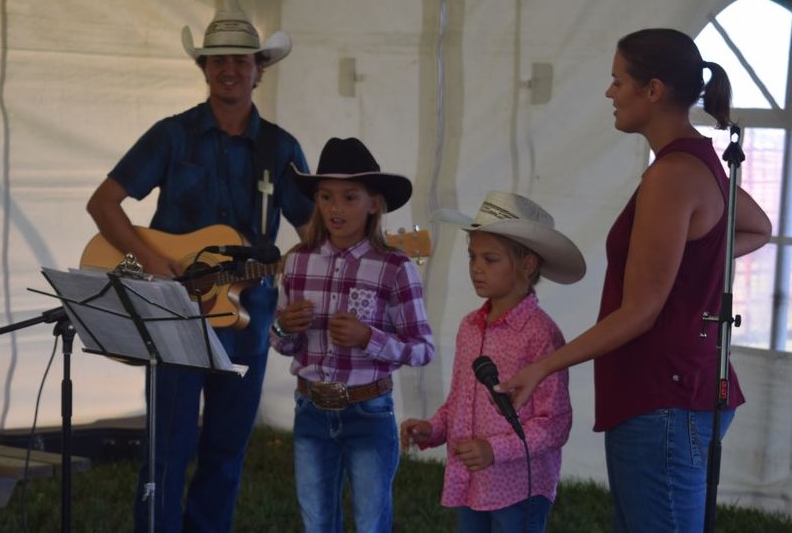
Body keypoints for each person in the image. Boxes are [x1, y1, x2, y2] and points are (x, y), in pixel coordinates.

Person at [497, 28, 772, 533]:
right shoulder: (698, 161)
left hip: (662, 400)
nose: (609, 93)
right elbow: (756, 227)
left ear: (653, 90)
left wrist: (542, 366)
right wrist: (692, 265)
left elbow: (640, 312)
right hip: (680, 391)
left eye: (617, 80)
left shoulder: (671, 176)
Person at [86, 8, 314, 532]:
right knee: (166, 451)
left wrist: (332, 263)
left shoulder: (281, 149)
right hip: (174, 317)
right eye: (217, 60)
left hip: (248, 321)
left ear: (261, 69)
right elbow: (104, 203)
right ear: (204, 68)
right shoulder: (172, 135)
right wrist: (150, 260)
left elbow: (312, 236)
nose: (228, 69)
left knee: (225, 453)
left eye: (240, 59)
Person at [270, 137, 436, 533]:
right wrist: (283, 327)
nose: (335, 208)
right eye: (326, 197)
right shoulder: (297, 261)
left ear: (373, 203)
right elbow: (279, 341)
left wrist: (369, 338)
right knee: (316, 521)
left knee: (370, 522)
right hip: (310, 410)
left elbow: (423, 349)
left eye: (349, 197)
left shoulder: (394, 266)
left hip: (368, 411)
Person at [400, 191, 586, 533]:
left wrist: (494, 449)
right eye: (472, 257)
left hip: (520, 487)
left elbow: (554, 423)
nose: (476, 268)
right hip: (473, 480)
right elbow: (461, 400)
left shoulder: (540, 334)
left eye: (490, 259)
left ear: (527, 265)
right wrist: (434, 428)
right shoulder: (470, 327)